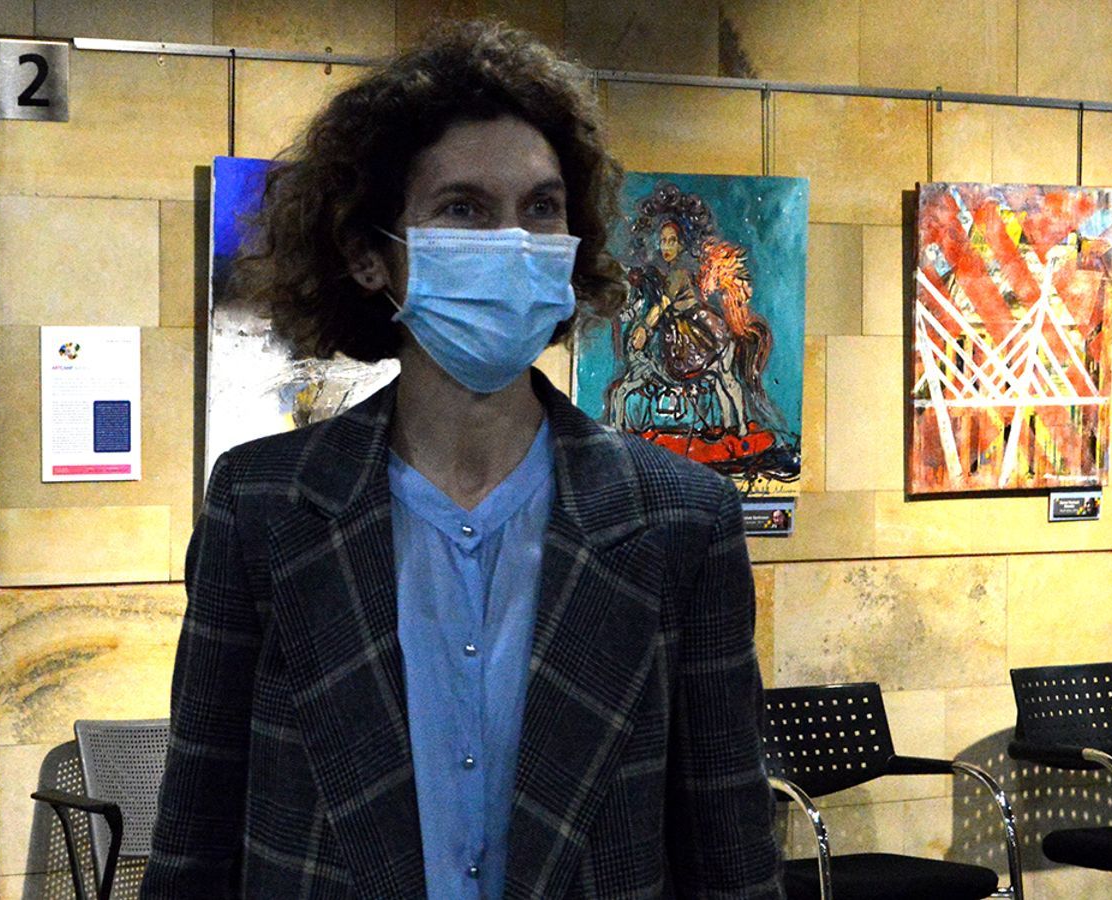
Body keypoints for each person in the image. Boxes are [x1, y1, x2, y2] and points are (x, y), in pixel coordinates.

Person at [145, 21, 783, 899]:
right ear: (370, 256)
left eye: (541, 208)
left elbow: (731, 849)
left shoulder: (681, 520)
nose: (513, 242)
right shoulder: (264, 506)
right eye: (464, 209)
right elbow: (196, 831)